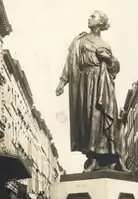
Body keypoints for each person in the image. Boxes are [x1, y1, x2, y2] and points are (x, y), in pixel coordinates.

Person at [55, 10, 129, 172]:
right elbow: (71, 62)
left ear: (101, 22)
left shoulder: (106, 44)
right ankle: (93, 157)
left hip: (103, 84)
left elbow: (114, 69)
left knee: (104, 118)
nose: (89, 18)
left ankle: (112, 158)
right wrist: (62, 81)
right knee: (89, 119)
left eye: (93, 16)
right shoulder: (80, 40)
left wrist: (108, 59)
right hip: (85, 82)